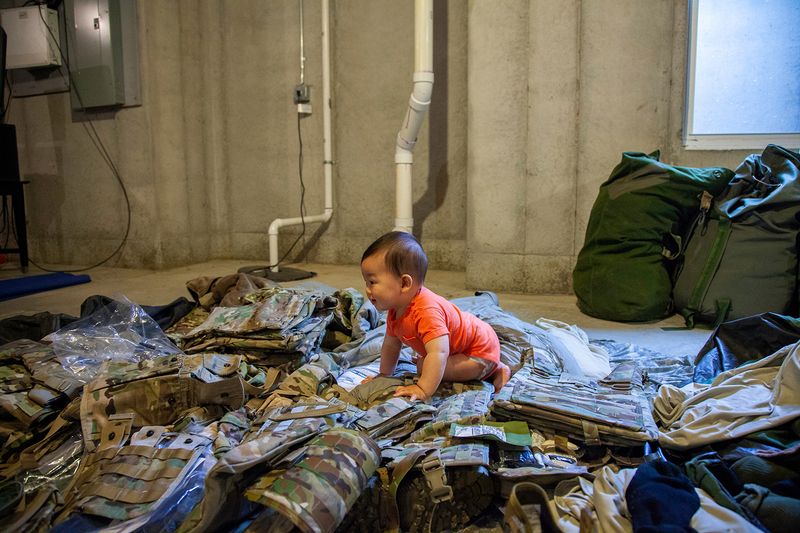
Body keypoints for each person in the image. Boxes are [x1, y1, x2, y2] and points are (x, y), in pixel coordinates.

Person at [360, 231, 511, 401]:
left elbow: (439, 352)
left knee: (424, 367)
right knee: (425, 363)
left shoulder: (426, 311)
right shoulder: (395, 309)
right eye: (366, 282)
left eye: (372, 282)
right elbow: (391, 346)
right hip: (463, 347)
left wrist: (422, 389)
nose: (367, 290)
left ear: (404, 283)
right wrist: (384, 375)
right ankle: (493, 367)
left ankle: (496, 370)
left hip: (478, 351)